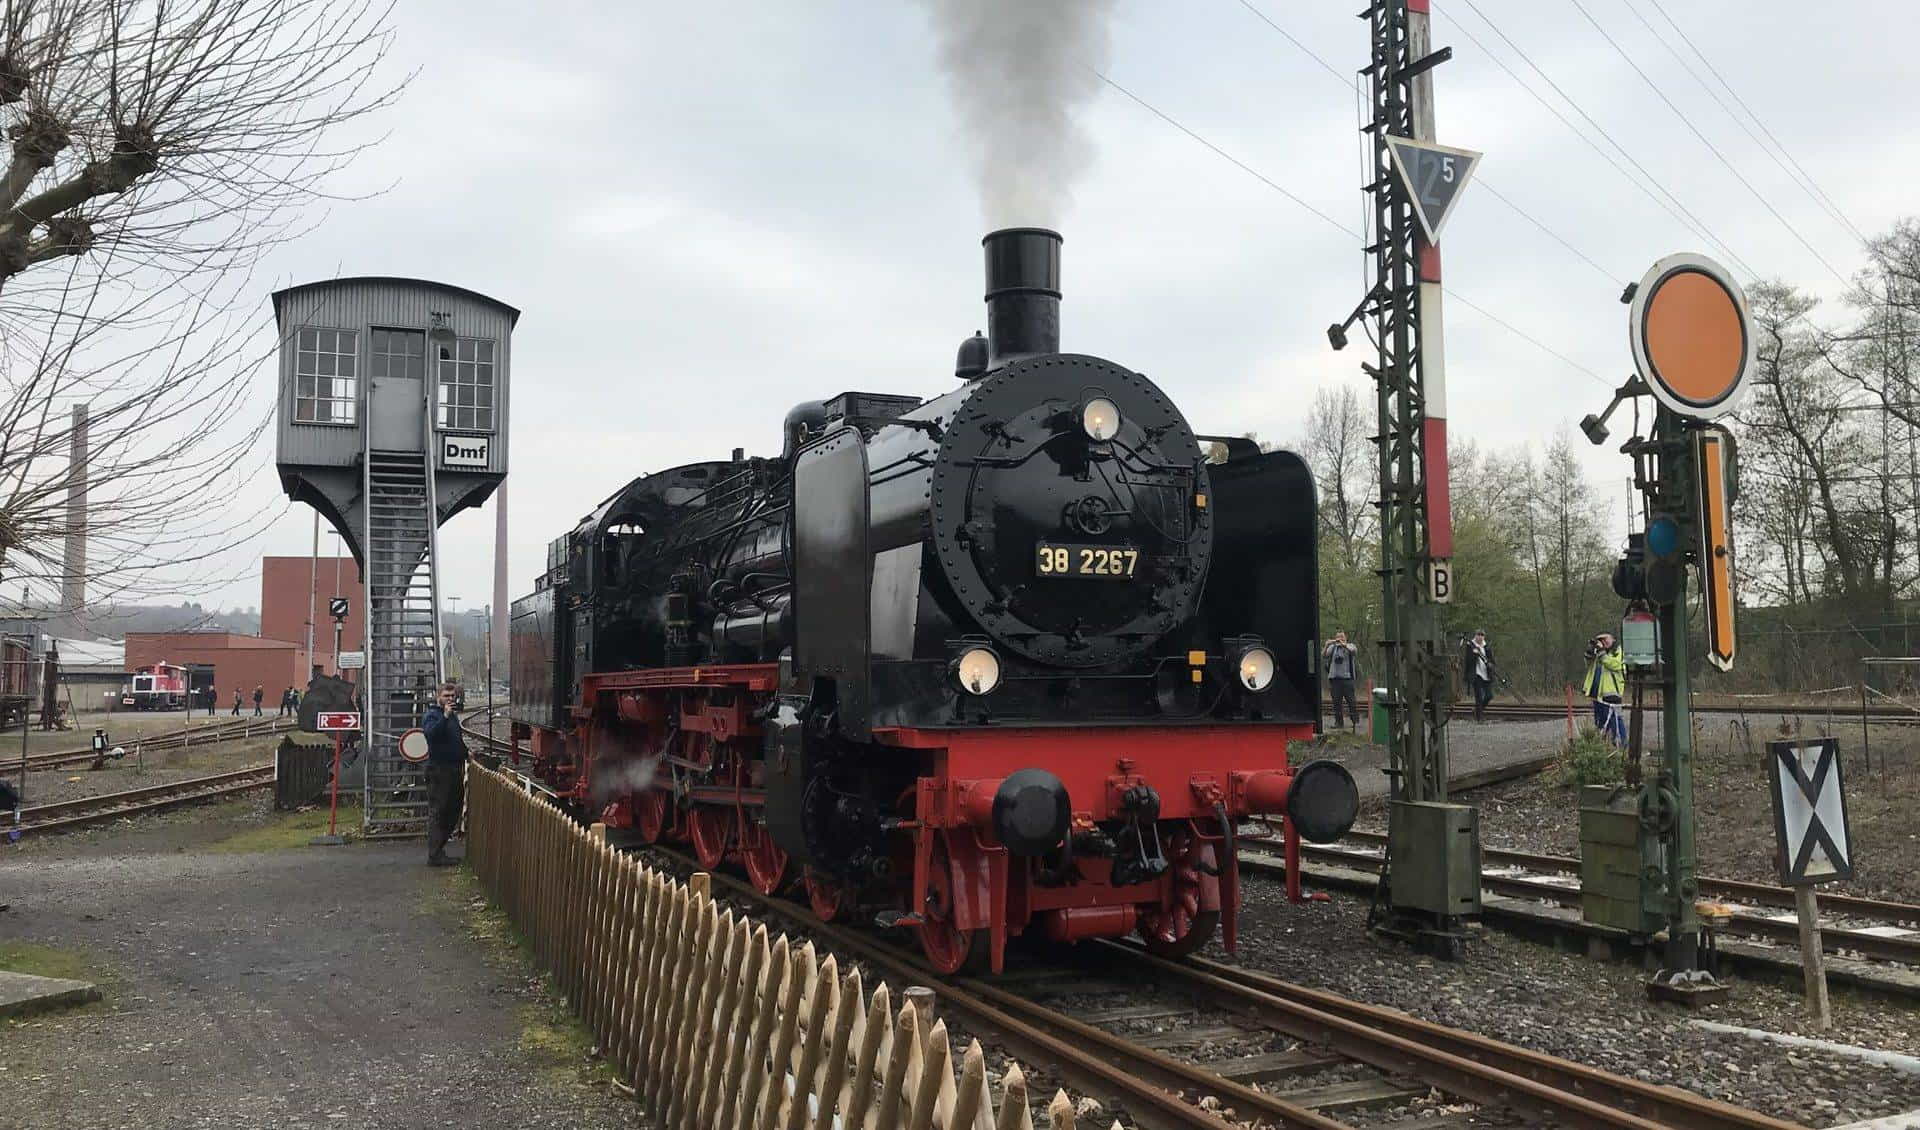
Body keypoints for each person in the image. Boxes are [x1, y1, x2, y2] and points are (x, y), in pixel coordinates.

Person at [420, 682, 468, 867]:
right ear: (438, 696)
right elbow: (432, 735)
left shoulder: (452, 717)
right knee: (439, 811)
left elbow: (455, 739)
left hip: (453, 768)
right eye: (446, 696)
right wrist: (445, 716)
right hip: (439, 769)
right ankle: (435, 854)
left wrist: (465, 752)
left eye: (452, 696)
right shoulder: (432, 715)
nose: (450, 699)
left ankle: (440, 850)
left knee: (452, 810)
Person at [1584, 632, 1627, 746]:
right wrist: (1590, 651)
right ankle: (1603, 746)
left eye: (1605, 639)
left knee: (1616, 721)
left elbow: (1615, 664)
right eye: (1600, 640)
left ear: (1613, 639)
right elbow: (1588, 664)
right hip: (1598, 695)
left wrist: (1602, 653)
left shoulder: (1618, 652)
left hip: (1612, 694)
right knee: (1601, 723)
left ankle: (1622, 746)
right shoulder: (1599, 654)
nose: (1603, 642)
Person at [1322, 630, 1361, 732]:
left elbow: (1354, 651)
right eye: (1338, 637)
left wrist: (1343, 644)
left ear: (1345, 638)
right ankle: (1339, 723)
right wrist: (1327, 645)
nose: (1340, 638)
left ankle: (1355, 722)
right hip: (1334, 680)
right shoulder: (1333, 647)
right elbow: (1324, 655)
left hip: (1347, 679)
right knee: (1336, 703)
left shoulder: (1350, 646)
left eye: (1342, 637)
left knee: (1351, 701)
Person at [1461, 630, 1496, 723]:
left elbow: (1492, 660)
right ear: (1475, 636)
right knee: (1479, 697)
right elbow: (1468, 661)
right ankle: (1479, 718)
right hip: (1476, 674)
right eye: (1478, 635)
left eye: (1482, 635)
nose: (1480, 637)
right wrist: (1475, 654)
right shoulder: (1470, 646)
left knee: (1489, 696)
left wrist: (1491, 664)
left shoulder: (1487, 647)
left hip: (1486, 674)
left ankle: (1477, 711)